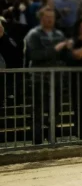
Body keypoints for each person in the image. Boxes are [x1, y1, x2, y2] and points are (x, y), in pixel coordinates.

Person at [24, 9, 70, 144]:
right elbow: (34, 55)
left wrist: (68, 49)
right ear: (41, 18)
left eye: (52, 17)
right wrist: (55, 49)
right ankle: (37, 139)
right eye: (47, 17)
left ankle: (52, 138)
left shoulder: (59, 34)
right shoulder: (34, 34)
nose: (50, 20)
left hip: (56, 78)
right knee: (37, 110)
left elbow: (63, 56)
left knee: (55, 110)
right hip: (39, 78)